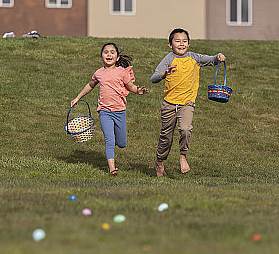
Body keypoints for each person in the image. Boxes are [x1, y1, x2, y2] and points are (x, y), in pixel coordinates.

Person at [150, 28, 225, 177]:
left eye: (184, 41)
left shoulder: (194, 57)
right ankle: (159, 162)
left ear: (189, 44)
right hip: (169, 104)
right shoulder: (168, 59)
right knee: (166, 137)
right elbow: (154, 78)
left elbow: (210, 60)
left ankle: (183, 156)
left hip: (187, 103)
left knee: (185, 129)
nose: (181, 44)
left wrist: (218, 57)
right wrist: (165, 74)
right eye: (177, 41)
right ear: (170, 44)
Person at [71, 42, 148, 175]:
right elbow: (90, 85)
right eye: (106, 52)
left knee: (122, 143)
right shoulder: (99, 73)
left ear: (117, 57)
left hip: (120, 112)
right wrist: (77, 97)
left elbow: (130, 86)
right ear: (101, 57)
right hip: (105, 112)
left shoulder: (122, 72)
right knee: (109, 139)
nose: (109, 54)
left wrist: (138, 91)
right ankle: (112, 168)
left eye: (112, 52)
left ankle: (115, 147)